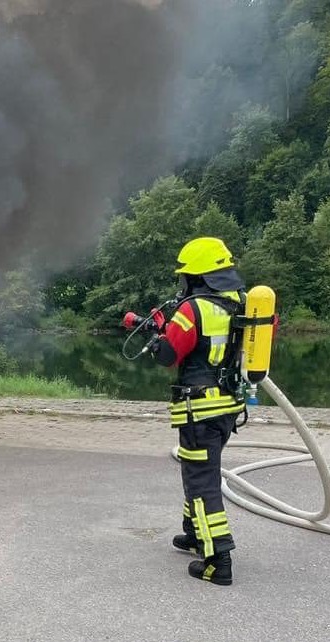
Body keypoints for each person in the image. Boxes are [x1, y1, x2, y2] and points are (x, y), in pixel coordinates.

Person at [122, 237, 247, 586]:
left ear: (196, 276)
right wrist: (165, 327)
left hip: (199, 409)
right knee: (200, 472)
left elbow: (168, 356)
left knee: (201, 481)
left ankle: (217, 560)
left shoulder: (193, 309)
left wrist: (157, 338)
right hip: (228, 407)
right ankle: (194, 534)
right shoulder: (241, 303)